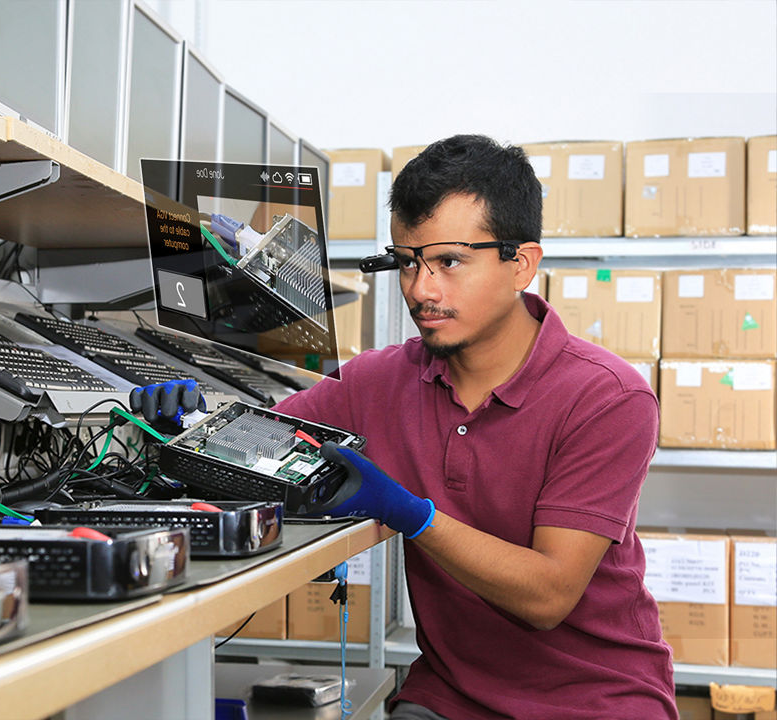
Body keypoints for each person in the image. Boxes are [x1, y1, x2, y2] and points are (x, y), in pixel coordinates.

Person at [133, 135, 675, 719]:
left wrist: (410, 513)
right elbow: (254, 445)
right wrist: (188, 426)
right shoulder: (379, 381)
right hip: (451, 695)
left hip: (598, 702)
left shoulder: (607, 397)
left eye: (449, 262)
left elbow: (547, 595)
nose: (421, 290)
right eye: (407, 262)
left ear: (521, 263)